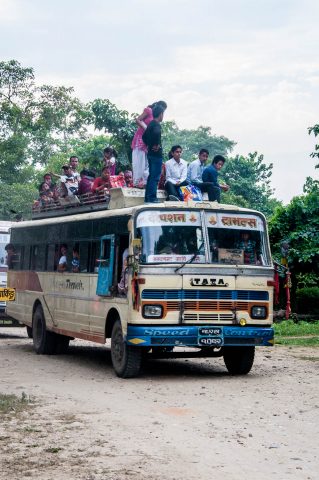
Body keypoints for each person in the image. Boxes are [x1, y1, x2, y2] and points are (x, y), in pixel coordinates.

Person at [131, 100, 167, 188]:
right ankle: (136, 183)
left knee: (146, 163)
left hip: (148, 141)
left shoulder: (156, 119)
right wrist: (147, 128)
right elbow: (138, 120)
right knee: (139, 161)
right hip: (140, 138)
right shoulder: (148, 110)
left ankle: (143, 182)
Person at [143, 104, 166, 203]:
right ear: (160, 114)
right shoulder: (156, 124)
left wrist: (149, 144)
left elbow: (144, 137)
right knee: (155, 177)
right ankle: (152, 198)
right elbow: (156, 133)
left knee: (151, 176)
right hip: (156, 155)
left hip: (150, 154)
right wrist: (156, 144)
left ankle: (148, 198)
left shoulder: (151, 124)